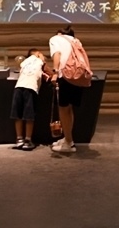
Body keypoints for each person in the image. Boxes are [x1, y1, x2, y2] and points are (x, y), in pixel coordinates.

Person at [48, 25, 84, 153]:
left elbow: (57, 55)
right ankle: (68, 138)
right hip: (77, 76)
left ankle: (69, 143)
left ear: (59, 33)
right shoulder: (76, 40)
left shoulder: (55, 39)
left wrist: (55, 73)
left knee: (63, 109)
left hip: (65, 76)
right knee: (69, 109)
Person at [10, 48, 49, 151]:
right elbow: (47, 70)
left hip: (19, 87)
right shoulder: (40, 61)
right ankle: (28, 140)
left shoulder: (24, 62)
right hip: (30, 88)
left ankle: (19, 139)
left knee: (17, 115)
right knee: (29, 115)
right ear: (38, 54)